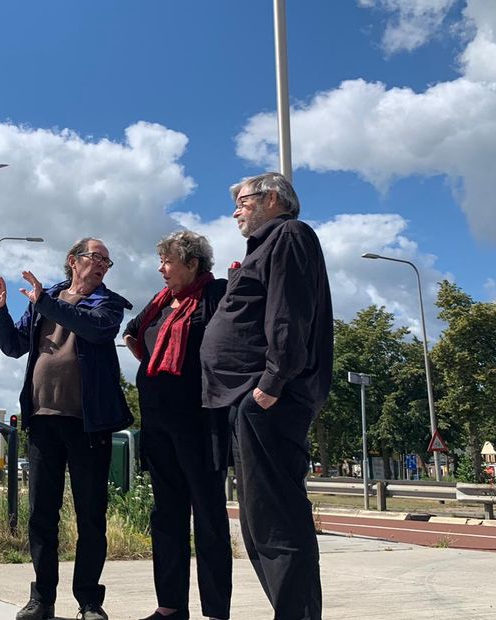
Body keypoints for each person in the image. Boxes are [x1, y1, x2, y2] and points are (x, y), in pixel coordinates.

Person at [201, 172, 333, 620]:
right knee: (260, 525)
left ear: (272, 198)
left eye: (242, 200)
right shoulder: (263, 247)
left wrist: (271, 384)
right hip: (250, 402)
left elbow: (289, 313)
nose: (236, 210)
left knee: (277, 521)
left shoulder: (290, 235)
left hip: (269, 401)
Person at [0, 238, 133, 620]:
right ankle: (42, 599)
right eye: (95, 257)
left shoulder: (108, 304)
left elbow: (94, 329)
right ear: (73, 261)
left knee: (90, 515)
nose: (102, 265)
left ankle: (89, 602)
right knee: (42, 515)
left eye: (107, 260)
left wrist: (46, 303)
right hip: (43, 422)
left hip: (89, 425)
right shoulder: (45, 298)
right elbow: (13, 346)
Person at [123, 231, 231, 620]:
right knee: (166, 516)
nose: (161, 268)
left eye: (168, 261)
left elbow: (234, 338)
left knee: (208, 517)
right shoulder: (158, 304)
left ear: (192, 264)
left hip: (200, 422)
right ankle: (170, 607)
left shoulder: (215, 294)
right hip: (157, 423)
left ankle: (216, 611)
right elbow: (132, 332)